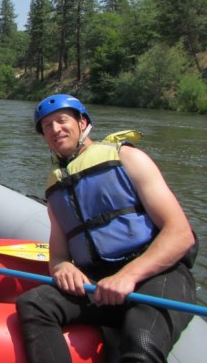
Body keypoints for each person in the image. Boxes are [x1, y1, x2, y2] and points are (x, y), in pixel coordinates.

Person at [16, 94, 197, 363]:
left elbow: (180, 233)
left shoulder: (127, 157)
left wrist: (128, 275)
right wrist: (64, 268)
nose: (55, 130)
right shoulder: (54, 187)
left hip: (157, 274)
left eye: (61, 121)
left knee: (141, 344)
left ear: (82, 122)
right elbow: (58, 256)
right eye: (46, 127)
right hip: (99, 284)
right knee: (33, 304)